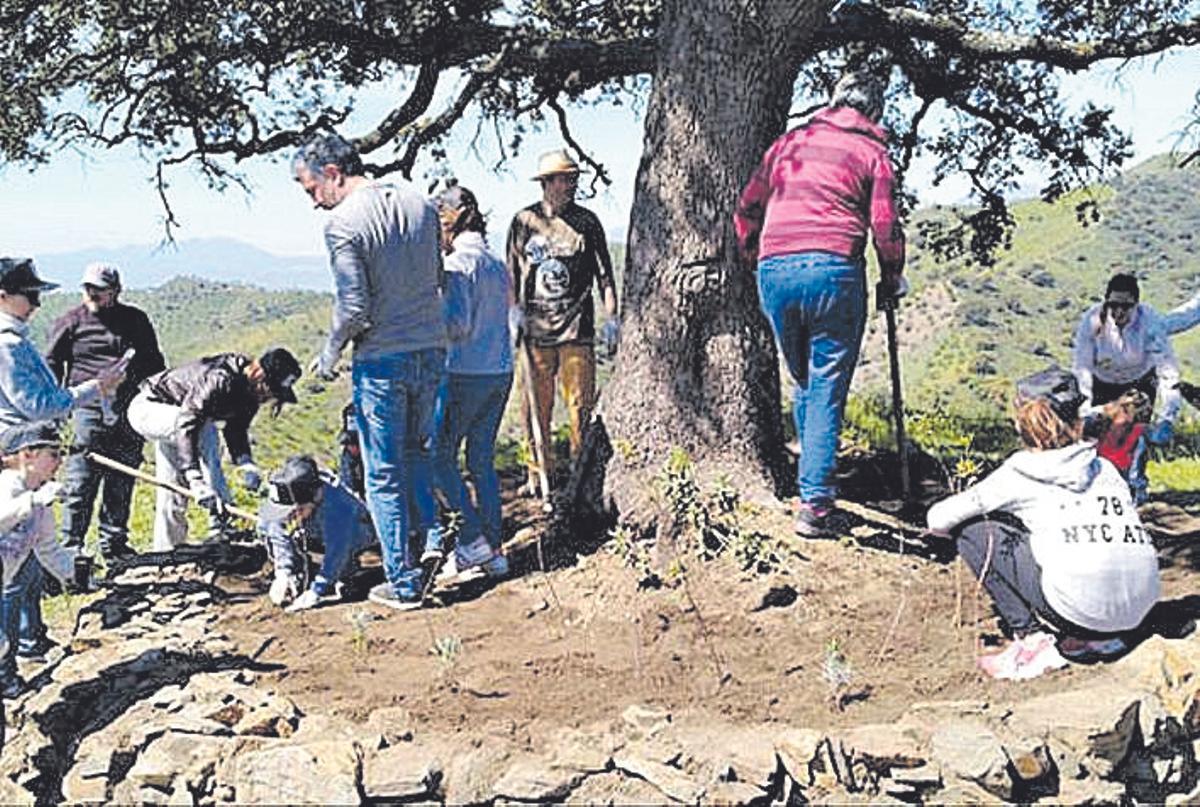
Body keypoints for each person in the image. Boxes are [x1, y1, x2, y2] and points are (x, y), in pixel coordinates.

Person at [733, 71, 906, 537]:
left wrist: (756, 255)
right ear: (874, 111)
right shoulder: (873, 153)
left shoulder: (787, 145)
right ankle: (816, 505)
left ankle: (811, 486)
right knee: (826, 385)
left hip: (775, 271)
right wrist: (892, 276)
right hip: (833, 271)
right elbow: (885, 228)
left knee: (807, 382)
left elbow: (747, 207)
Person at [293, 132, 446, 611]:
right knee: (418, 453)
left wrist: (331, 350)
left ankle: (403, 582)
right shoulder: (420, 205)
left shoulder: (343, 223)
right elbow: (437, 277)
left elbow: (354, 305)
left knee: (381, 472)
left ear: (333, 174)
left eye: (310, 189)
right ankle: (435, 543)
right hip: (431, 347)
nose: (314, 203)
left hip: (382, 359)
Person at [927, 367, 1160, 680]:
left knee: (972, 531)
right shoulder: (1104, 468)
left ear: (1021, 421)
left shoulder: (1021, 472)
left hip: (1081, 613)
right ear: (1079, 419)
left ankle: (1031, 639)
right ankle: (1100, 639)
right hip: (1138, 613)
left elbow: (938, 519)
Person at [506, 149, 619, 499]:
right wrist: (513, 314)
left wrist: (611, 317)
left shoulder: (587, 222)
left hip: (576, 330)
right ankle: (537, 473)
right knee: (533, 409)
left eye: (573, 178)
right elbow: (511, 274)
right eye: (565, 178)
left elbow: (605, 276)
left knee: (580, 406)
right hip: (536, 333)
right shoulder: (523, 221)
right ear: (547, 183)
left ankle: (579, 476)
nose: (571, 184)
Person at [44, 263, 165, 561]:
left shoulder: (135, 320)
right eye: (88, 288)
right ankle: (71, 548)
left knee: (122, 477)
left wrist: (148, 394)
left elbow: (154, 363)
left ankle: (114, 545)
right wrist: (55, 410)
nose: (92, 293)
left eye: (99, 289)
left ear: (115, 290)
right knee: (81, 479)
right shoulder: (70, 322)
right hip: (87, 407)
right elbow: (51, 365)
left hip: (128, 408)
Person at [126, 348, 301, 551]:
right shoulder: (220, 378)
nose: (269, 398)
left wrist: (247, 465)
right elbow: (188, 421)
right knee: (206, 430)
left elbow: (236, 430)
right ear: (258, 374)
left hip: (179, 425)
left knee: (172, 490)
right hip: (149, 409)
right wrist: (197, 480)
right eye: (270, 390)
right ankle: (223, 521)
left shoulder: (250, 394)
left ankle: (166, 550)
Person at [433, 184, 513, 581]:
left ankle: (470, 539)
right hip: (500, 370)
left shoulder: (457, 265)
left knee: (438, 457)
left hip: (465, 372)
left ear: (447, 219)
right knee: (481, 461)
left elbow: (458, 325)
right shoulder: (498, 264)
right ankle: (495, 552)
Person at [0, 422, 89, 697]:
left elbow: (48, 548)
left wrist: (73, 573)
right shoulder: (7, 485)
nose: (60, 462)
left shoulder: (41, 497)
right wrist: (34, 501)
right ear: (28, 454)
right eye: (53, 454)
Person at [0, 258, 124, 426]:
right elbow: (39, 408)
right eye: (31, 296)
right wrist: (98, 386)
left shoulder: (15, 340)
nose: (37, 304)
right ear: (3, 297)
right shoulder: (8, 346)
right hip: (21, 443)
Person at [257, 455, 377, 612]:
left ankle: (350, 574)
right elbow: (276, 528)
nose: (290, 516)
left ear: (311, 499)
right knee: (271, 526)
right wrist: (283, 571)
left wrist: (317, 590)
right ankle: (297, 575)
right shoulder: (283, 492)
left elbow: (338, 550)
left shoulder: (339, 507)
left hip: (358, 532)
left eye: (295, 511)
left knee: (343, 558)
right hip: (314, 528)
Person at [1072, 273, 1180, 447]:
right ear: (1105, 302)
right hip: (1103, 382)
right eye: (1113, 305)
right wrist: (1085, 411)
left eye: (1126, 306)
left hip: (1140, 381)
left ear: (1137, 305)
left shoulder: (1151, 322)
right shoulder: (1091, 321)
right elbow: (1082, 368)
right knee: (1100, 439)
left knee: (1133, 440)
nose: (1119, 312)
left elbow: (1167, 371)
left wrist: (1168, 417)